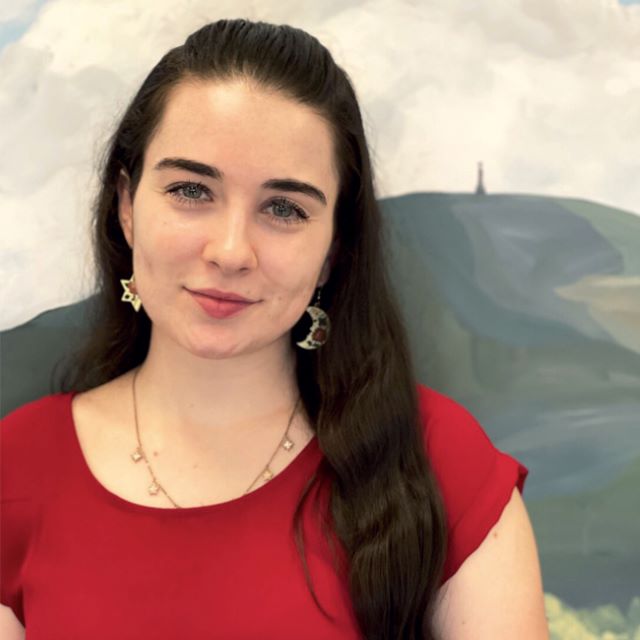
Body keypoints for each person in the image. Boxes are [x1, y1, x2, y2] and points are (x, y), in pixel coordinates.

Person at [0, 18, 548, 640]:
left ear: (335, 246)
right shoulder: (15, 469)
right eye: (190, 189)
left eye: (283, 208)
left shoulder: (439, 461)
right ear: (126, 206)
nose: (231, 250)